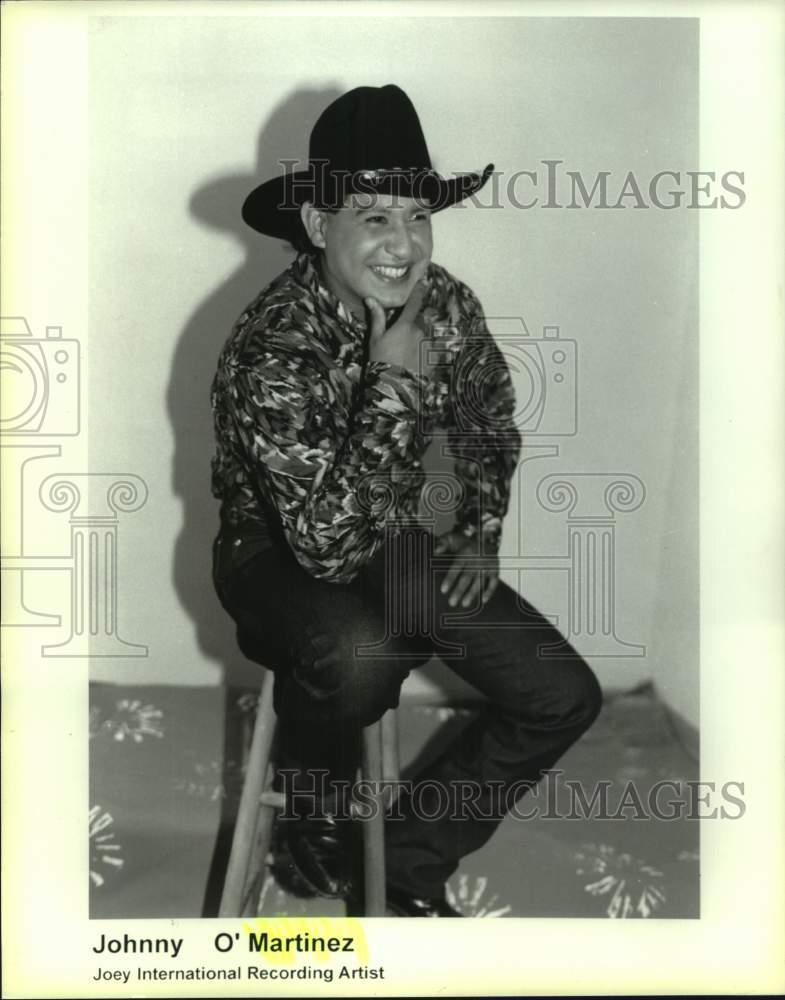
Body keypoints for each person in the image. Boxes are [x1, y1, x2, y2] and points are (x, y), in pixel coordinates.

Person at [210, 84, 602, 917]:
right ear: (318, 226)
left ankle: (406, 863)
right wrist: (392, 374)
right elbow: (319, 546)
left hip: (396, 535)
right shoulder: (272, 343)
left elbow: (486, 419)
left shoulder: (447, 301)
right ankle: (310, 800)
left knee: (559, 694)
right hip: (274, 552)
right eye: (374, 216)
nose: (402, 244)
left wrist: (479, 525)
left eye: (417, 216)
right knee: (360, 660)